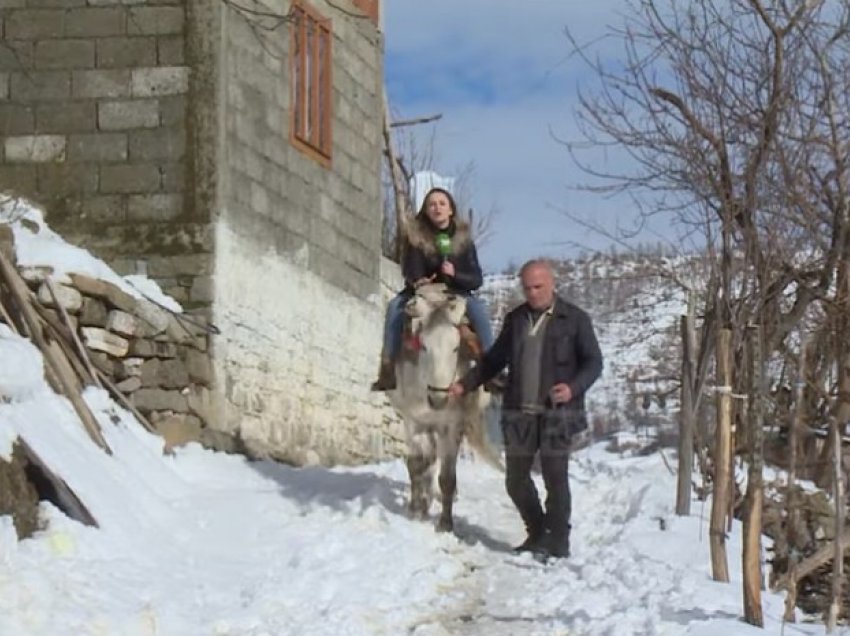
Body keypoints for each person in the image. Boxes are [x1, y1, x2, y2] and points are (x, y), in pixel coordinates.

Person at [448, 259, 602, 558]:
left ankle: (558, 541)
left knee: (555, 478)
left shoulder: (575, 319)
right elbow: (494, 360)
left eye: (538, 287)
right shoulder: (516, 319)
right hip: (519, 411)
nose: (532, 293)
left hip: (559, 414)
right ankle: (537, 531)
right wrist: (464, 384)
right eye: (527, 287)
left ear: (552, 284)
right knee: (516, 480)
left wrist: (572, 387)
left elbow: (594, 362)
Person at [370, 187, 495, 391]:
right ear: (426, 210)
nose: (437, 208)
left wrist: (455, 274)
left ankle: (491, 370)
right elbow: (410, 267)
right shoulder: (415, 237)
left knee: (479, 308)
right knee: (394, 307)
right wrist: (418, 280)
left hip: (457, 291)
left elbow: (476, 278)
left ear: (451, 210)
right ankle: (388, 368)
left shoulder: (464, 241)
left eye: (442, 203)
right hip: (424, 291)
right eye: (432, 204)